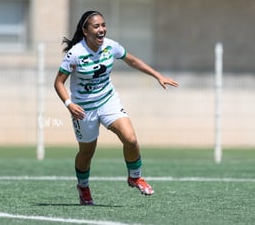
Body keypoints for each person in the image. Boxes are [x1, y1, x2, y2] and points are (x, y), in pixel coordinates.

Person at [54, 10, 179, 205]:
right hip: (83, 110)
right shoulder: (75, 54)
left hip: (108, 102)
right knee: (87, 152)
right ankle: (83, 187)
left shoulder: (111, 46)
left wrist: (157, 75)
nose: (101, 29)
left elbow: (132, 60)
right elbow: (58, 83)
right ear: (85, 31)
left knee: (131, 139)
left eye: (103, 25)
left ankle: (135, 177)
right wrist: (69, 104)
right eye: (96, 26)